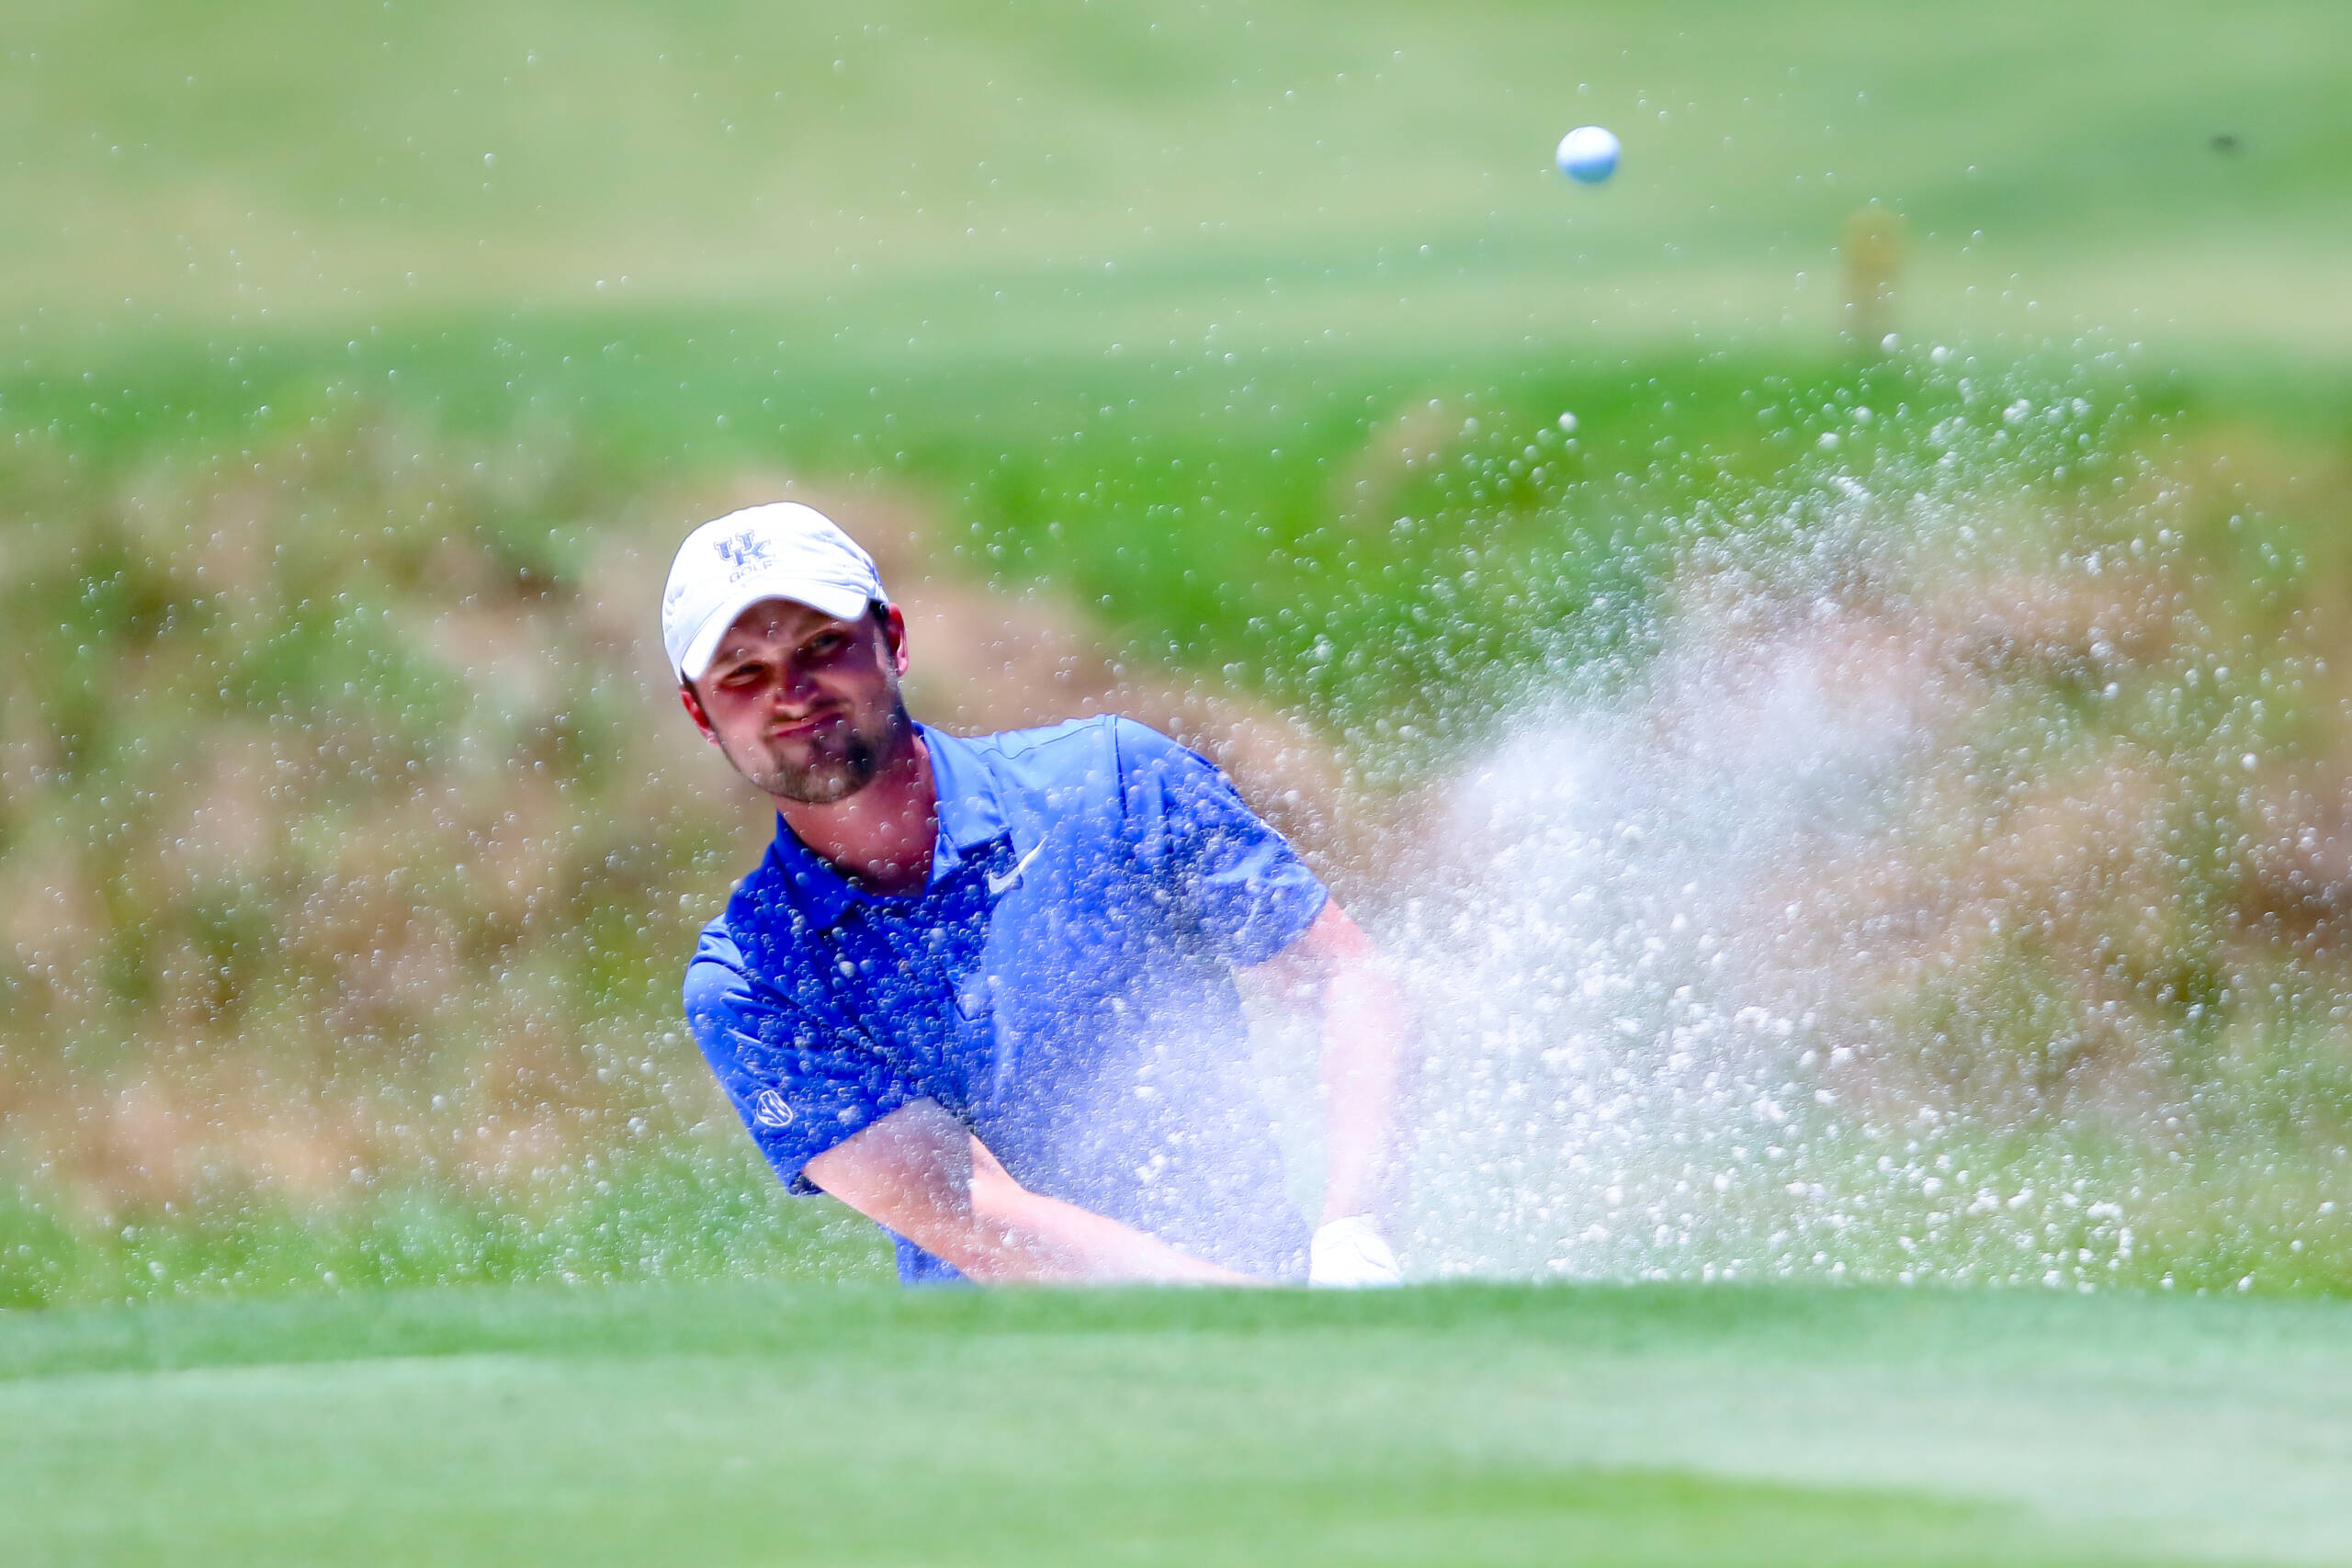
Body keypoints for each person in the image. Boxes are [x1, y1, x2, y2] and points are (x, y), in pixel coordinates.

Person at [662, 502, 1408, 1285]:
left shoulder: (1112, 783)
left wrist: (1355, 1229)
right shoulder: (753, 977)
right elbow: (976, 1211)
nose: (792, 690)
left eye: (823, 644)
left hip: (1277, 1329)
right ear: (699, 711)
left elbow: (1347, 979)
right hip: (1013, 1393)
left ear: (894, 640)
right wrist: (1252, 1315)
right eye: (744, 671)